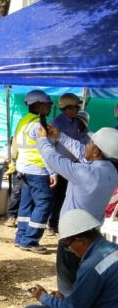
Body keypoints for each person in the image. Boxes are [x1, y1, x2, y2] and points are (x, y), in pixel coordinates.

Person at [37, 125, 118, 295]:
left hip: (73, 237)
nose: (86, 145)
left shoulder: (85, 173)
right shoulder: (110, 171)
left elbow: (54, 159)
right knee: (85, 279)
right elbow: (83, 153)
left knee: (67, 282)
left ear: (96, 152)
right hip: (93, 234)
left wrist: (42, 140)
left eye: (89, 143)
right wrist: (60, 136)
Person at [14, 90, 57, 254]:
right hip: (37, 170)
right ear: (39, 105)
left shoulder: (24, 121)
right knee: (44, 204)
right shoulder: (38, 125)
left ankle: (21, 238)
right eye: (48, 104)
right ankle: (30, 241)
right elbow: (45, 150)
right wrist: (52, 172)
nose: (50, 107)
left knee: (26, 205)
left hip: (24, 168)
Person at [48, 94, 86, 234]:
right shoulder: (56, 123)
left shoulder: (76, 122)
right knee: (58, 196)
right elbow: (50, 146)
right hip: (62, 166)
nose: (78, 109)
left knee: (69, 195)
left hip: (74, 165)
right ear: (68, 108)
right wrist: (52, 170)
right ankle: (53, 224)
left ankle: (64, 222)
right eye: (76, 107)